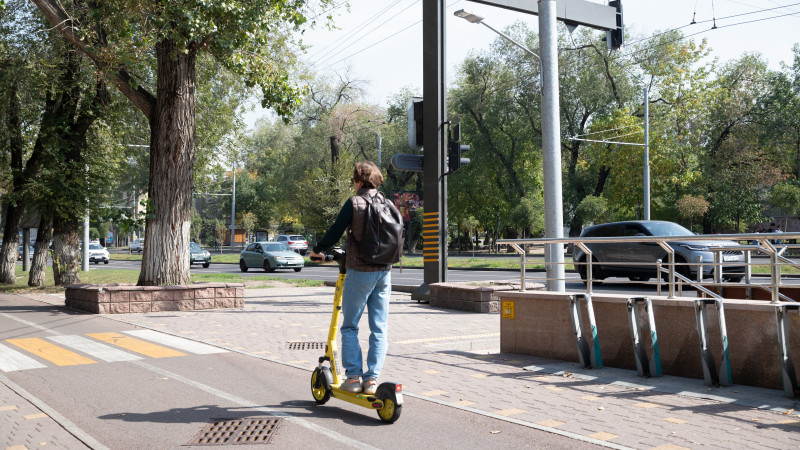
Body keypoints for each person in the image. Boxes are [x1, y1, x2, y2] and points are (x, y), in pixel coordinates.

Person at [310, 161, 397, 395]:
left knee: (349, 326)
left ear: (359, 181)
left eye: (354, 180)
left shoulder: (354, 202)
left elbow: (336, 230)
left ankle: (354, 377)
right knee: (379, 328)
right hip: (384, 271)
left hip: (360, 271)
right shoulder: (387, 202)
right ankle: (372, 380)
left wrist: (317, 249)